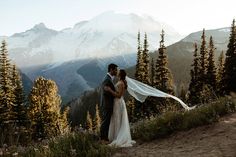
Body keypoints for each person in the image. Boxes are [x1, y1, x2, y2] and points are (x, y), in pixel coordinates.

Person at [104, 69, 136, 147]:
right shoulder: (120, 82)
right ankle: (116, 136)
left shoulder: (121, 83)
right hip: (116, 102)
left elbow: (119, 96)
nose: (117, 73)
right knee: (116, 118)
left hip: (118, 103)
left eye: (118, 72)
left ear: (120, 75)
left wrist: (110, 90)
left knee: (118, 118)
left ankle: (118, 137)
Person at [100, 63, 118, 142]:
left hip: (108, 103)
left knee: (107, 121)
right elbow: (105, 92)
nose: (116, 71)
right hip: (107, 104)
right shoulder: (107, 79)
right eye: (115, 70)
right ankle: (103, 138)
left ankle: (105, 137)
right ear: (111, 70)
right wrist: (114, 93)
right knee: (105, 121)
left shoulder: (109, 78)